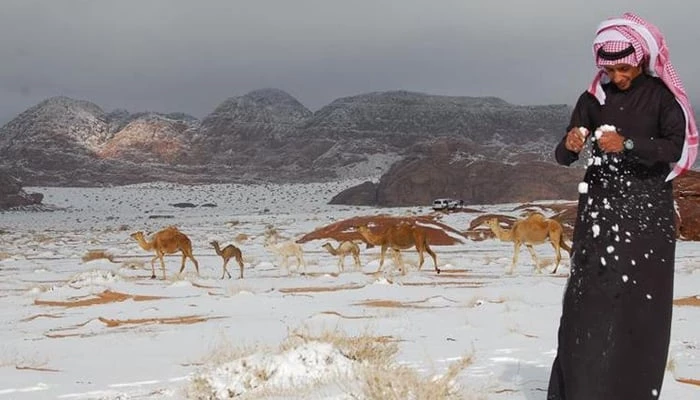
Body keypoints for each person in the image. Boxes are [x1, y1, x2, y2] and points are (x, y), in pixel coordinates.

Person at [549, 12, 697, 400]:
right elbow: (562, 155)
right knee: (587, 307)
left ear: (642, 57)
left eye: (624, 67)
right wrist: (570, 145)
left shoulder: (662, 97)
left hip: (648, 217)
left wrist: (628, 143)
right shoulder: (592, 99)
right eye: (610, 68)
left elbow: (675, 148)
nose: (617, 76)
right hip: (598, 216)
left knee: (638, 310)